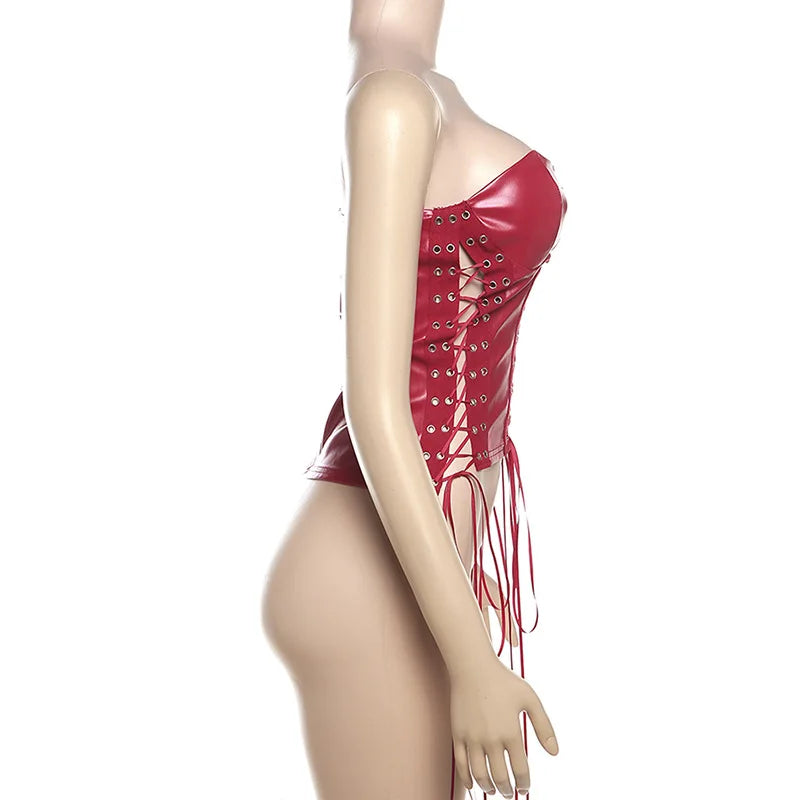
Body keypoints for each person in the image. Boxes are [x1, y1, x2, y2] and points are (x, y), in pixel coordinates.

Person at [262, 2, 567, 798]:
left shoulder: (408, 82)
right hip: (368, 579)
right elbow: (374, 406)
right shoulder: (392, 99)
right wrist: (470, 657)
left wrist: (459, 578)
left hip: (419, 560)